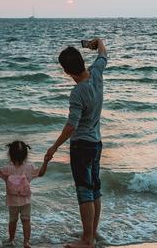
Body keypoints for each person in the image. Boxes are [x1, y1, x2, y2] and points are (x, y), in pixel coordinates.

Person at [45, 38, 107, 248]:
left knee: (84, 191)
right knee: (95, 188)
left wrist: (54, 147)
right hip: (97, 143)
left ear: (65, 70)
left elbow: (72, 125)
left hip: (81, 145)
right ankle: (91, 233)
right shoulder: (97, 73)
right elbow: (102, 52)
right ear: (81, 61)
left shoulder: (77, 92)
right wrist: (95, 42)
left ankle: (87, 240)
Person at [0, 141, 48, 248]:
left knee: (12, 220)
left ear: (10, 154)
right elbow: (41, 173)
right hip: (26, 201)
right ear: (25, 155)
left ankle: (11, 239)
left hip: (12, 201)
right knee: (26, 220)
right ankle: (26, 242)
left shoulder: (7, 168)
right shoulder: (29, 168)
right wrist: (45, 162)